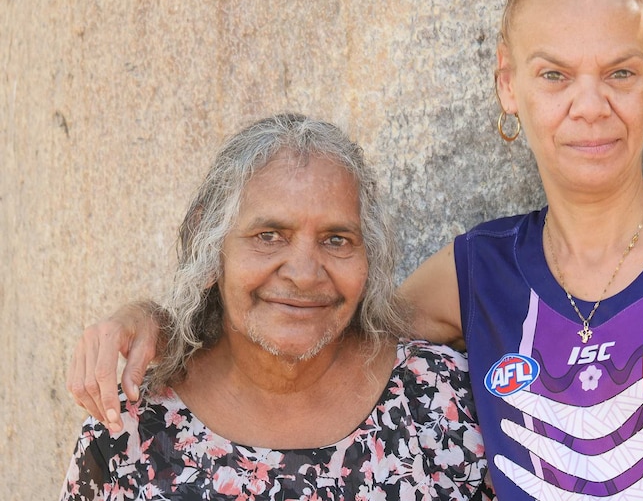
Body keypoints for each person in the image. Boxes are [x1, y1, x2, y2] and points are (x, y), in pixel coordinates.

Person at [67, 0, 643, 499]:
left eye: (621, 71)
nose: (591, 105)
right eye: (554, 73)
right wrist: (155, 320)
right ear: (508, 86)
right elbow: (309, 314)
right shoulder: (476, 271)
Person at [60, 114, 492, 500]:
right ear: (212, 248)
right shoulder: (127, 431)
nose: (304, 274)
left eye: (336, 240)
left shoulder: (441, 400)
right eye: (269, 236)